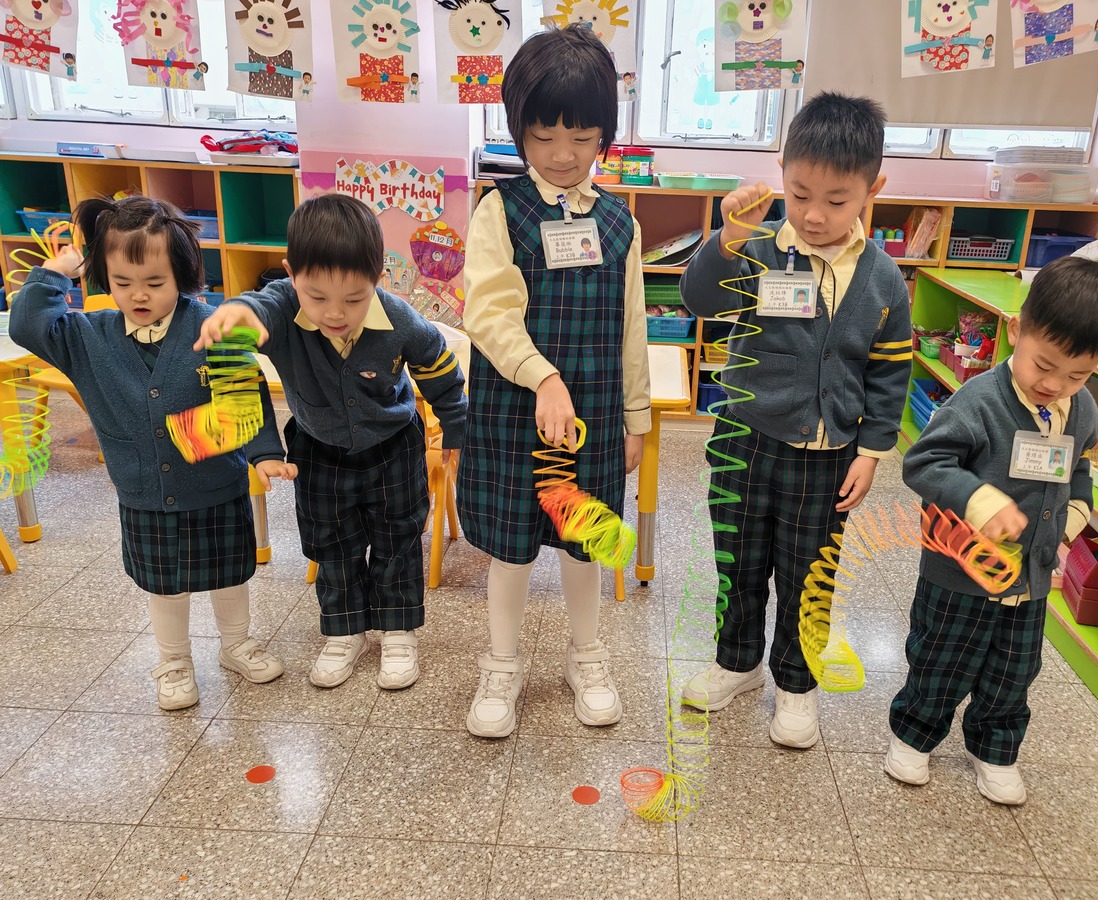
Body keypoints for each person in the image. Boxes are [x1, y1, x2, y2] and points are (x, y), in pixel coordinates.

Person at [678, 92, 912, 748]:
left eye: (837, 200)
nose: (813, 214)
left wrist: (872, 451)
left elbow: (890, 373)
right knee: (740, 562)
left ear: (872, 190)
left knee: (811, 576)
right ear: (781, 172)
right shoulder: (758, 250)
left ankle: (796, 683)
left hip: (828, 455)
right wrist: (727, 240)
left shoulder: (883, 280)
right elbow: (697, 300)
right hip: (745, 442)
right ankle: (737, 663)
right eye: (800, 192)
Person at [11, 195, 290, 711]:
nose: (139, 295)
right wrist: (54, 274)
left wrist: (264, 454)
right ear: (102, 276)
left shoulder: (214, 326)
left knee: (230, 573)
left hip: (217, 485)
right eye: (123, 282)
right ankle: (174, 660)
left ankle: (237, 644)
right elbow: (27, 326)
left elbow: (244, 399)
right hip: (145, 492)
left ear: (182, 274)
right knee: (164, 585)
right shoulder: (85, 336)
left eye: (155, 283)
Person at [459, 23, 650, 738]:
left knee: (586, 540)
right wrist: (542, 377)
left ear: (605, 135)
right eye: (543, 136)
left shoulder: (619, 222)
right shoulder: (499, 210)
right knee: (511, 547)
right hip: (515, 409)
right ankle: (502, 663)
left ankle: (586, 655)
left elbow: (632, 326)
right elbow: (489, 311)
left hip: (593, 410)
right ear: (519, 131)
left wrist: (637, 418)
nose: (563, 154)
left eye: (582, 136)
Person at [886, 256, 1098, 805]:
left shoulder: (1081, 410)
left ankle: (995, 749)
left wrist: (1075, 514)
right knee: (940, 660)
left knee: (1014, 670)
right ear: (1017, 331)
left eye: (1077, 374)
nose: (1054, 384)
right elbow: (925, 463)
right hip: (960, 573)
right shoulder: (979, 401)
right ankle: (914, 735)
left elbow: (1080, 467)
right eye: (1044, 365)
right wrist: (978, 498)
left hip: (1031, 578)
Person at [196, 194, 467, 691]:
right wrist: (235, 311)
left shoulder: (400, 319)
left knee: (398, 540)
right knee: (332, 544)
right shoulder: (281, 307)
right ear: (291, 275)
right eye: (317, 297)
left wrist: (457, 429)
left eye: (354, 299)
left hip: (393, 447)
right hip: (318, 450)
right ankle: (344, 632)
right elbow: (252, 321)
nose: (335, 313)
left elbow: (441, 373)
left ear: (379, 279)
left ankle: (397, 630)